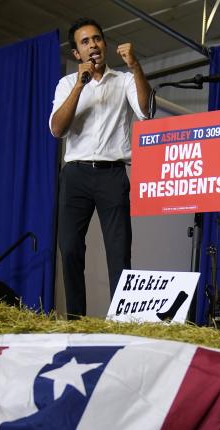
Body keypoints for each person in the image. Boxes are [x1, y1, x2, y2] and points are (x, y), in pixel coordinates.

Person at [50, 17, 154, 318]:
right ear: (76, 54)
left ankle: (122, 323)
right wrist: (80, 86)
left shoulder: (123, 81)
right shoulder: (67, 84)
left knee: (119, 252)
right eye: (85, 42)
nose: (93, 45)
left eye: (97, 39)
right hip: (75, 174)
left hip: (112, 174)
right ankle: (76, 322)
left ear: (104, 44)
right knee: (69, 249)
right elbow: (57, 129)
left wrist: (135, 67)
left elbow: (146, 112)